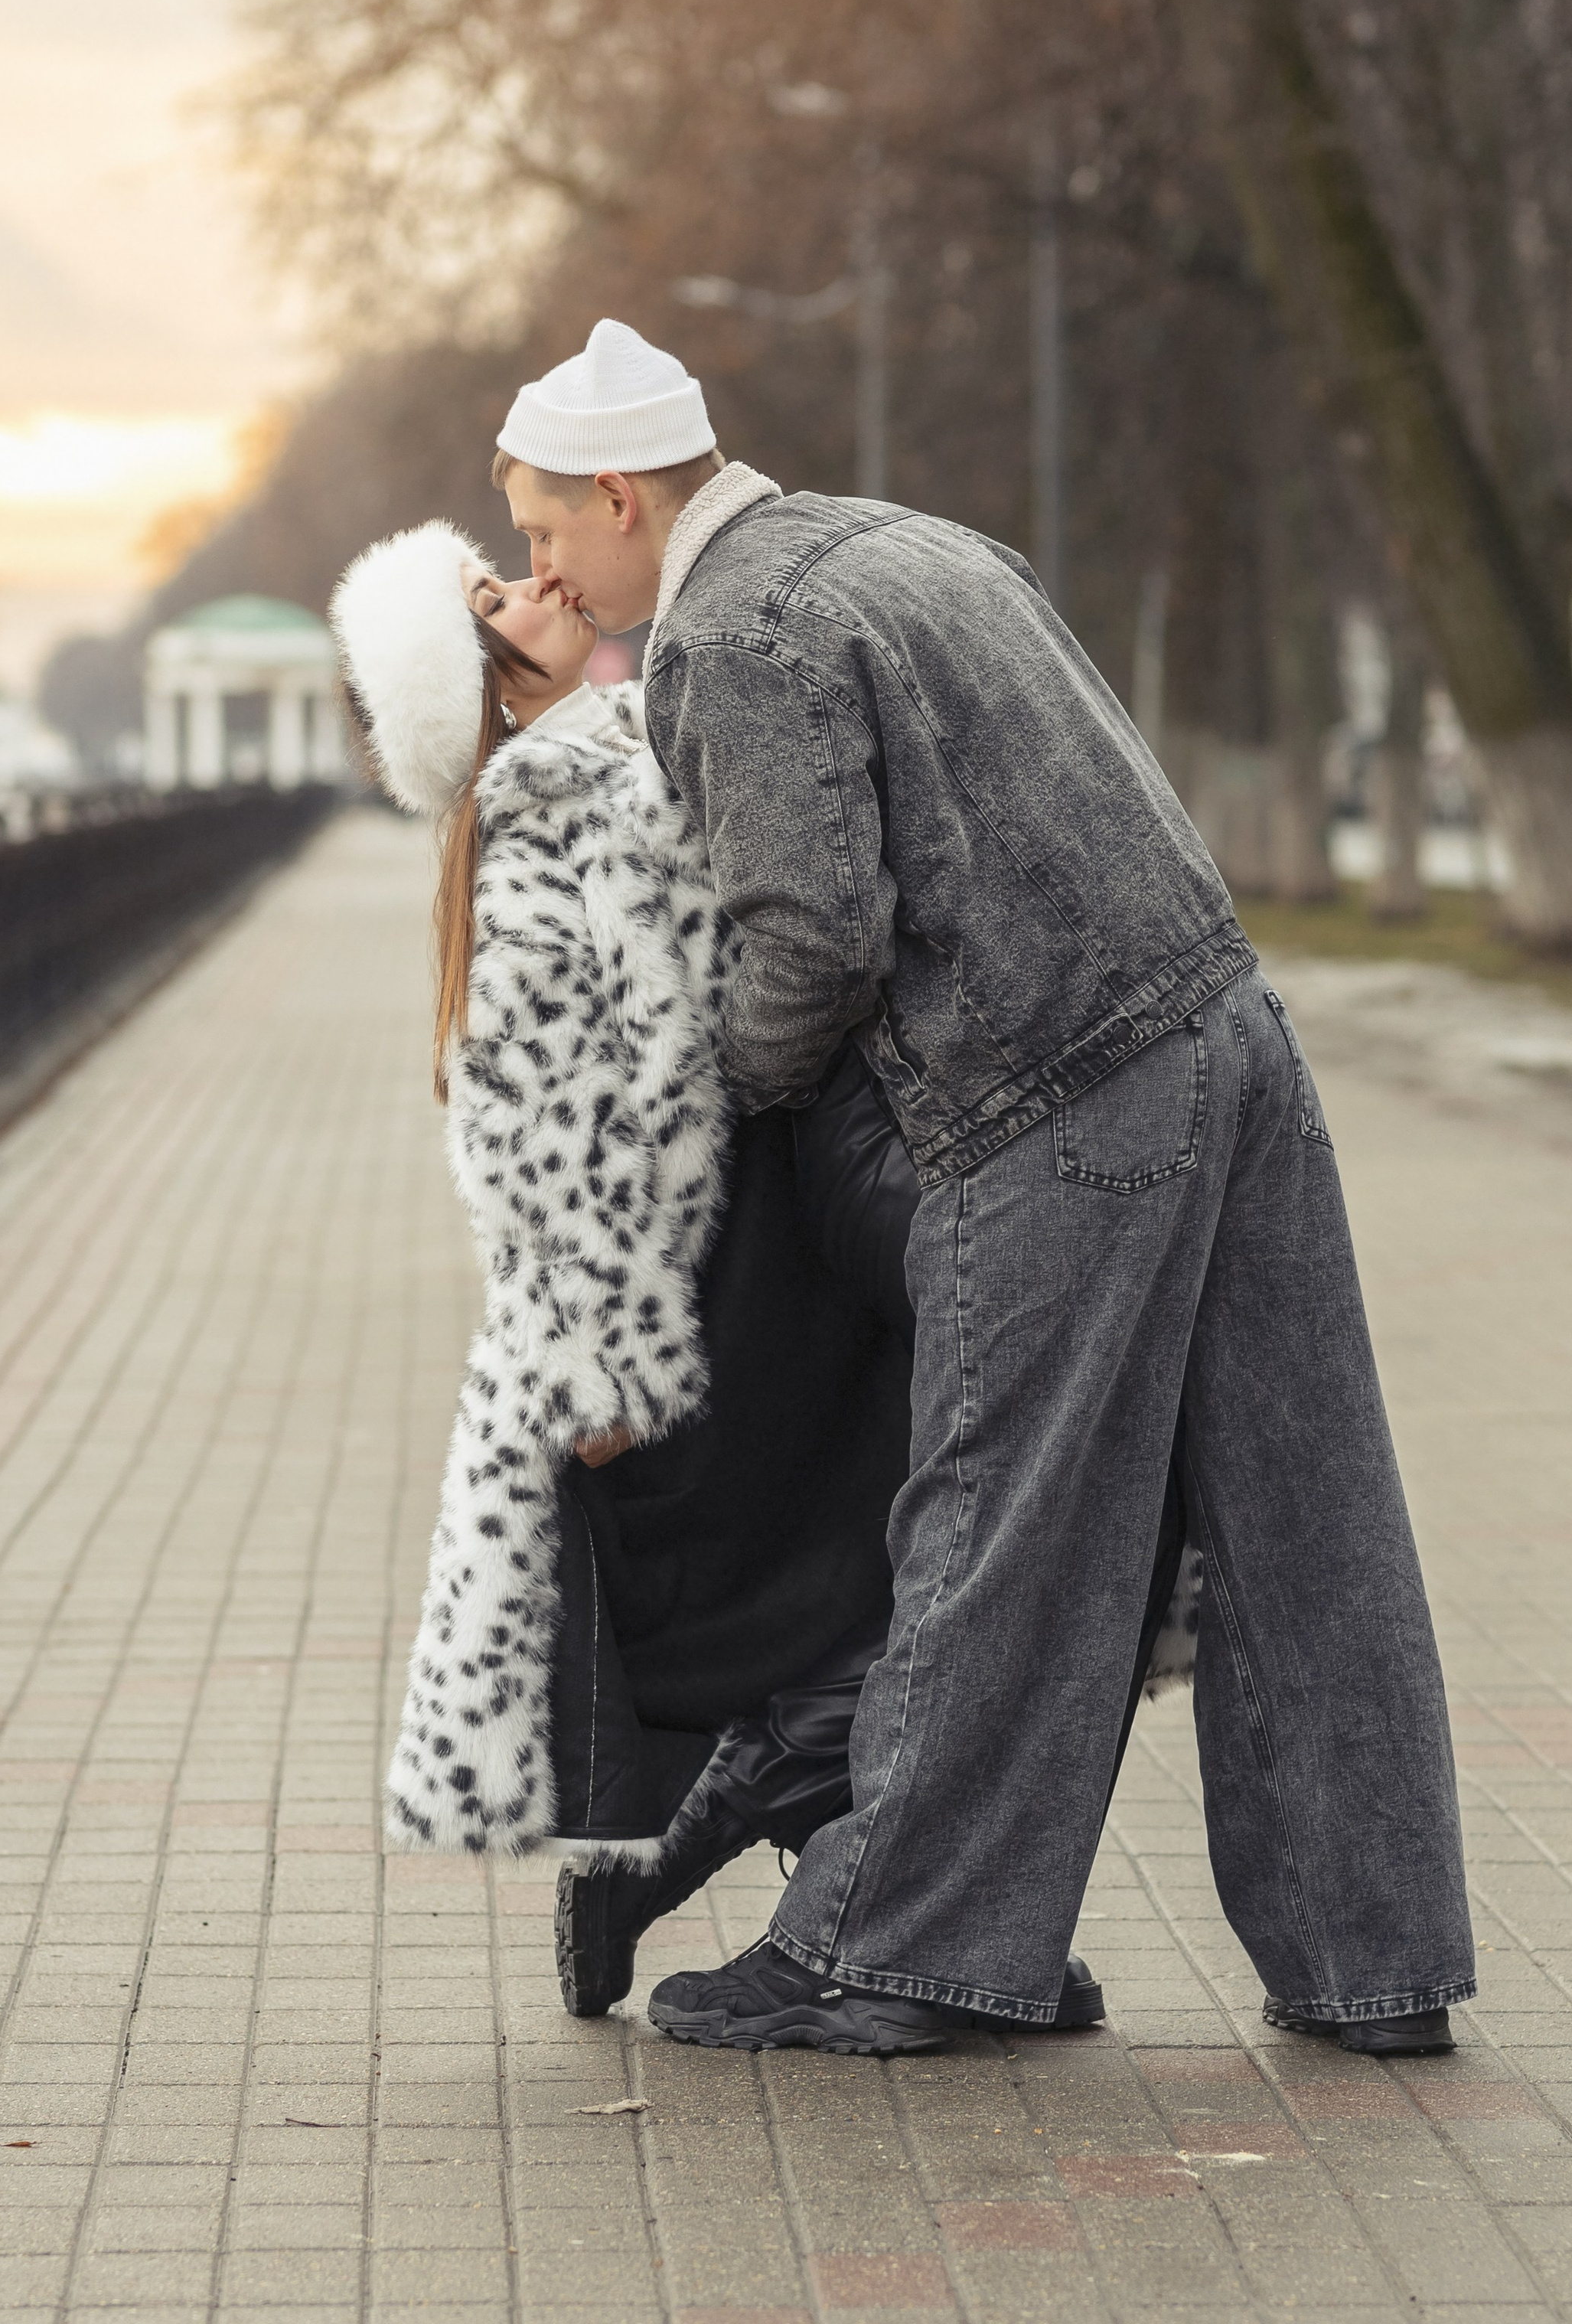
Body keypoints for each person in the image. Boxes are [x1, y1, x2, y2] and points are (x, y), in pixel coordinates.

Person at [494, 315, 1476, 2060]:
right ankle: (1367, 1957)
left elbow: (804, 946)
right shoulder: (909, 543)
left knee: (1003, 1532)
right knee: (1304, 1521)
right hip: (1230, 1030)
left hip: (1053, 1097)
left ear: (625, 497)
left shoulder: (739, 628)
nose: (539, 563)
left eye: (546, 528)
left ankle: (903, 1947)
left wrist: (704, 1127)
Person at [328, 518, 1120, 2036]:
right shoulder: (567, 794)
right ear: (487, 686)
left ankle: (916, 1909)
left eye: (523, 563)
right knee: (879, 1571)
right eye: (504, 596)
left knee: (874, 1564)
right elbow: (530, 1112)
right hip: (727, 1267)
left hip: (759, 1235)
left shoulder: (604, 756)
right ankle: (894, 1905)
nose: (542, 580)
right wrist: (597, 1351)